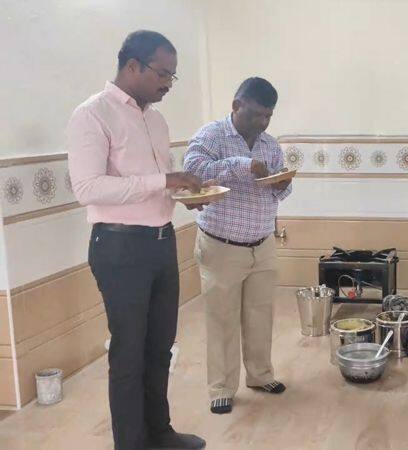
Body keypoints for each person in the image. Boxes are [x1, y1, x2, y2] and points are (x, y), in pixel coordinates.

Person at [67, 30, 206, 450]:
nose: (168, 83)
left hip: (161, 243)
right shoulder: (92, 115)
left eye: (172, 77)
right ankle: (130, 443)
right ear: (133, 66)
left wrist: (184, 194)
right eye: (163, 73)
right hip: (119, 247)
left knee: (161, 346)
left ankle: (159, 432)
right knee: (128, 354)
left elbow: (150, 187)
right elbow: (88, 188)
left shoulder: (155, 120)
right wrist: (163, 180)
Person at [184, 77, 292, 415]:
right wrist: (243, 166)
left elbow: (278, 190)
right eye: (257, 114)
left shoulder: (270, 144)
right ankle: (221, 387)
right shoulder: (211, 135)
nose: (263, 123)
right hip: (221, 245)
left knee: (261, 314)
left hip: (262, 244)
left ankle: (260, 375)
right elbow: (194, 171)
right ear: (236, 106)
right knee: (222, 318)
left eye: (269, 116)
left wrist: (282, 183)